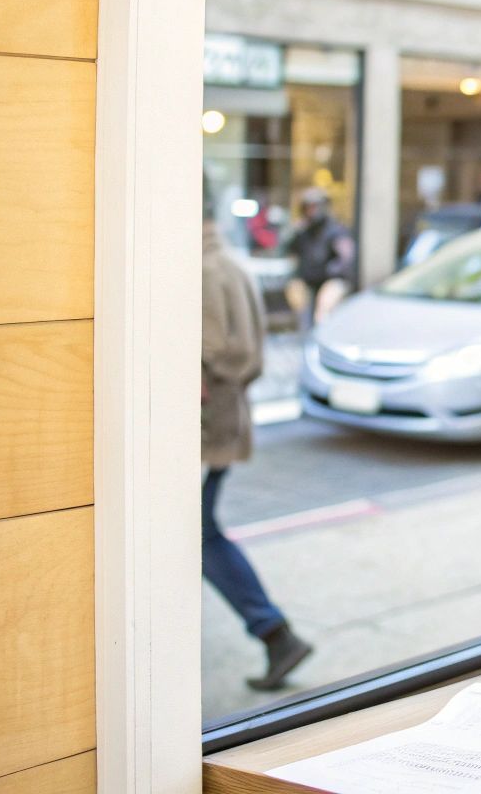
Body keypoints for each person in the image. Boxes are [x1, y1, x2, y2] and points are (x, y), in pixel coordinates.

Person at [203, 202, 314, 691]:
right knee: (197, 534)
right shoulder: (228, 262)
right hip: (223, 424)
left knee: (199, 535)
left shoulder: (202, 271)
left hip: (204, 429)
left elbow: (207, 352)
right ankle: (274, 633)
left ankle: (274, 632)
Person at [284, 187, 355, 325]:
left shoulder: (336, 230)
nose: (311, 210)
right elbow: (289, 251)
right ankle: (304, 334)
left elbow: (345, 258)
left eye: (315, 206)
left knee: (324, 308)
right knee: (297, 298)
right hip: (307, 280)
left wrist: (332, 270)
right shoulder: (303, 231)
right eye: (308, 207)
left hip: (330, 280)